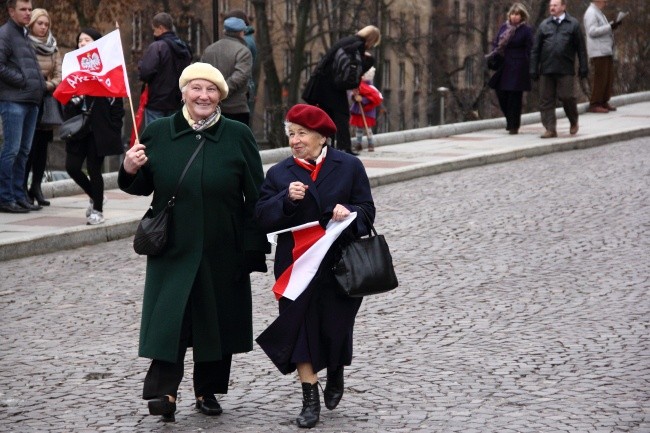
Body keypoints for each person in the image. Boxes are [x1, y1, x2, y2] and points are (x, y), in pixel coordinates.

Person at [118, 62, 269, 423]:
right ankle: (163, 391)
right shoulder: (158, 132)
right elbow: (140, 187)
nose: (204, 96)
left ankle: (208, 390)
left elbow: (257, 195)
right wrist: (129, 168)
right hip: (174, 245)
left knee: (216, 318)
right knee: (171, 318)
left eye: (212, 90)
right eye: (196, 88)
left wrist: (252, 247)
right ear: (184, 92)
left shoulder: (238, 135)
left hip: (223, 243)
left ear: (220, 96)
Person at [255, 104, 375, 428]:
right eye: (291, 133)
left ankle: (335, 369)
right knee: (300, 331)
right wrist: (285, 201)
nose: (295, 140)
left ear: (321, 136)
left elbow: (367, 211)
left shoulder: (349, 166)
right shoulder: (279, 174)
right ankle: (310, 397)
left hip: (340, 266)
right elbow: (262, 216)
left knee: (335, 328)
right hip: (296, 269)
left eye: (302, 133)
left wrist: (347, 211)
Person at [63, 28, 124, 225]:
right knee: (71, 167)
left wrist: (114, 126)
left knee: (93, 169)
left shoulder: (107, 69)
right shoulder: (73, 67)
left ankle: (97, 210)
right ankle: (95, 195)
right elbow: (64, 98)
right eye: (80, 40)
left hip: (99, 129)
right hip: (78, 128)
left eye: (87, 40)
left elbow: (117, 103)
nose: (82, 43)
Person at [302, 25, 381, 155]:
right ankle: (344, 149)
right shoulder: (357, 45)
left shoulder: (348, 41)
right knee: (341, 115)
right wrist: (367, 61)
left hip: (320, 82)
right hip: (330, 85)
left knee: (328, 116)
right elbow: (356, 68)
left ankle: (326, 148)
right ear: (371, 39)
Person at [0, 0, 45, 213]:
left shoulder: (24, 34)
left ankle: (19, 196)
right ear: (11, 11)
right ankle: (5, 197)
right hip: (14, 101)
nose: (28, 13)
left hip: (30, 102)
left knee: (24, 152)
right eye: (23, 10)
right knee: (11, 151)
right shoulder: (5, 34)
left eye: (30, 9)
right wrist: (22, 80)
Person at [529, 0, 588, 139]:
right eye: (550, 5)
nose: (552, 8)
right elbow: (535, 50)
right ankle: (550, 129)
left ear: (563, 7)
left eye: (555, 5)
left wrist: (583, 66)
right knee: (546, 100)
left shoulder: (573, 24)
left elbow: (581, 48)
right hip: (546, 69)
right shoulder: (544, 25)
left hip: (565, 68)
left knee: (567, 96)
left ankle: (573, 120)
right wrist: (533, 68)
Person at [24, 8, 61, 206]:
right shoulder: (25, 44)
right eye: (40, 23)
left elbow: (58, 75)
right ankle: (21, 187)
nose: (44, 27)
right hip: (28, 100)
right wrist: (40, 81)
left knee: (41, 149)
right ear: (32, 24)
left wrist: (47, 84)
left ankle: (36, 187)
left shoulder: (53, 47)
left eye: (46, 24)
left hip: (46, 103)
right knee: (26, 149)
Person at [486, 3, 534, 135]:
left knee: (514, 96)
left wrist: (531, 66)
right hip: (505, 64)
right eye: (513, 14)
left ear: (522, 16)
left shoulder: (526, 30)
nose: (514, 17)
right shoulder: (504, 27)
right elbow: (496, 43)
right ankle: (510, 119)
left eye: (517, 14)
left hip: (519, 66)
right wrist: (493, 56)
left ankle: (513, 125)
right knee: (500, 91)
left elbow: (530, 48)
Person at [138, 12, 192, 127]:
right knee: (174, 136)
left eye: (154, 29)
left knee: (155, 137)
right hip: (178, 101)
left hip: (157, 102)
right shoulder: (184, 47)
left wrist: (141, 65)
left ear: (161, 28)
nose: (154, 33)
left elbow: (145, 73)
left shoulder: (157, 47)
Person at [201, 17, 252, 126]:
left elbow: (202, 76)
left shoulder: (209, 50)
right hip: (236, 109)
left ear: (225, 31)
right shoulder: (243, 51)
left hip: (211, 108)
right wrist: (222, 92)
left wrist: (213, 95)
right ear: (241, 33)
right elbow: (240, 77)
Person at [583, 0, 620, 113]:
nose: (606, 2)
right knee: (600, 78)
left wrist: (613, 25)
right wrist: (610, 26)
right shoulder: (591, 13)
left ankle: (604, 101)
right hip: (598, 51)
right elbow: (592, 31)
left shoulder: (598, 12)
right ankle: (595, 103)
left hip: (605, 50)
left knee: (607, 78)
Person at [224, 9, 258, 115]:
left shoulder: (244, 42)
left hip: (240, 90)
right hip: (245, 88)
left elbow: (241, 72)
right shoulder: (248, 39)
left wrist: (225, 89)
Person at [349, 65, 383, 151]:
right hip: (359, 110)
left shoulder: (371, 88)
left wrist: (363, 99)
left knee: (368, 129)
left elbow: (374, 98)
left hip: (367, 110)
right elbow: (353, 94)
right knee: (359, 128)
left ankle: (370, 143)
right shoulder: (358, 85)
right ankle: (358, 143)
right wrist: (355, 97)